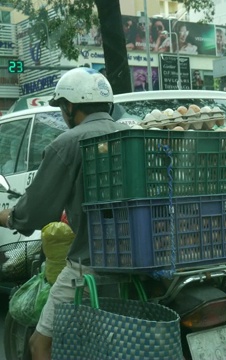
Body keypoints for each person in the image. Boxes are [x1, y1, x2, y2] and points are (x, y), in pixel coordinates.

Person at [0, 68, 129, 359]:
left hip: (90, 266)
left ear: (70, 107)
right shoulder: (130, 134)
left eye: (61, 108)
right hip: (140, 263)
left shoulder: (67, 144)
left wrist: (10, 217)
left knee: (39, 344)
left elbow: (34, 214)